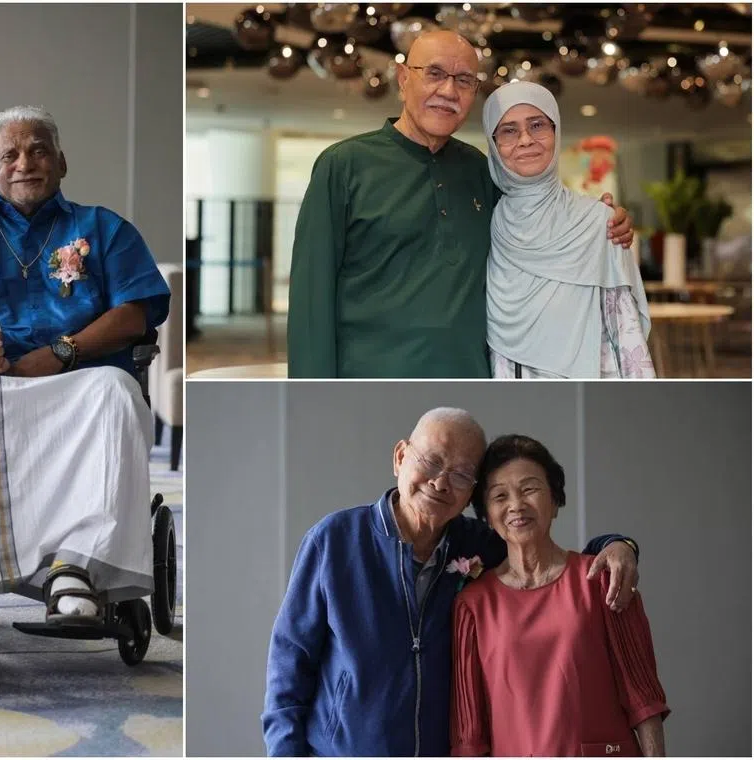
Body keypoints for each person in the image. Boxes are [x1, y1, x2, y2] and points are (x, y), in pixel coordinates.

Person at [0, 106, 170, 630]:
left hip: (81, 378)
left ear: (62, 162)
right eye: (10, 153)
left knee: (118, 390)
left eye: (39, 150)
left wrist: (61, 353)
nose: (26, 163)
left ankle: (76, 567)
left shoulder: (104, 229)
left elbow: (136, 312)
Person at [262, 407, 642, 756]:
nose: (441, 483)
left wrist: (617, 546)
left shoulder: (479, 543)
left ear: (470, 494)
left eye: (461, 474)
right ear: (400, 457)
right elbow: (289, 665)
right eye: (431, 461)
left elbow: (548, 557)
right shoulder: (334, 540)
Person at [286, 31, 635, 378]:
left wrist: (603, 220)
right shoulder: (344, 165)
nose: (448, 91)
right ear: (404, 79)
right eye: (434, 74)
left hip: (473, 378)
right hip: (371, 379)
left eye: (464, 80)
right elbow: (311, 299)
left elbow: (537, 225)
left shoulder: (482, 171)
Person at [451, 434, 668, 755]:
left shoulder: (602, 578)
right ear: (486, 514)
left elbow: (644, 700)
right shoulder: (472, 606)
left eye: (529, 489)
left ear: (554, 501)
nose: (516, 505)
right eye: (499, 495)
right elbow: (469, 735)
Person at [484, 82, 654, 378]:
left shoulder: (599, 223)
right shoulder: (486, 219)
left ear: (556, 132)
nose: (525, 140)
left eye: (537, 125)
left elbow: (624, 335)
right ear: (494, 144)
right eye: (509, 130)